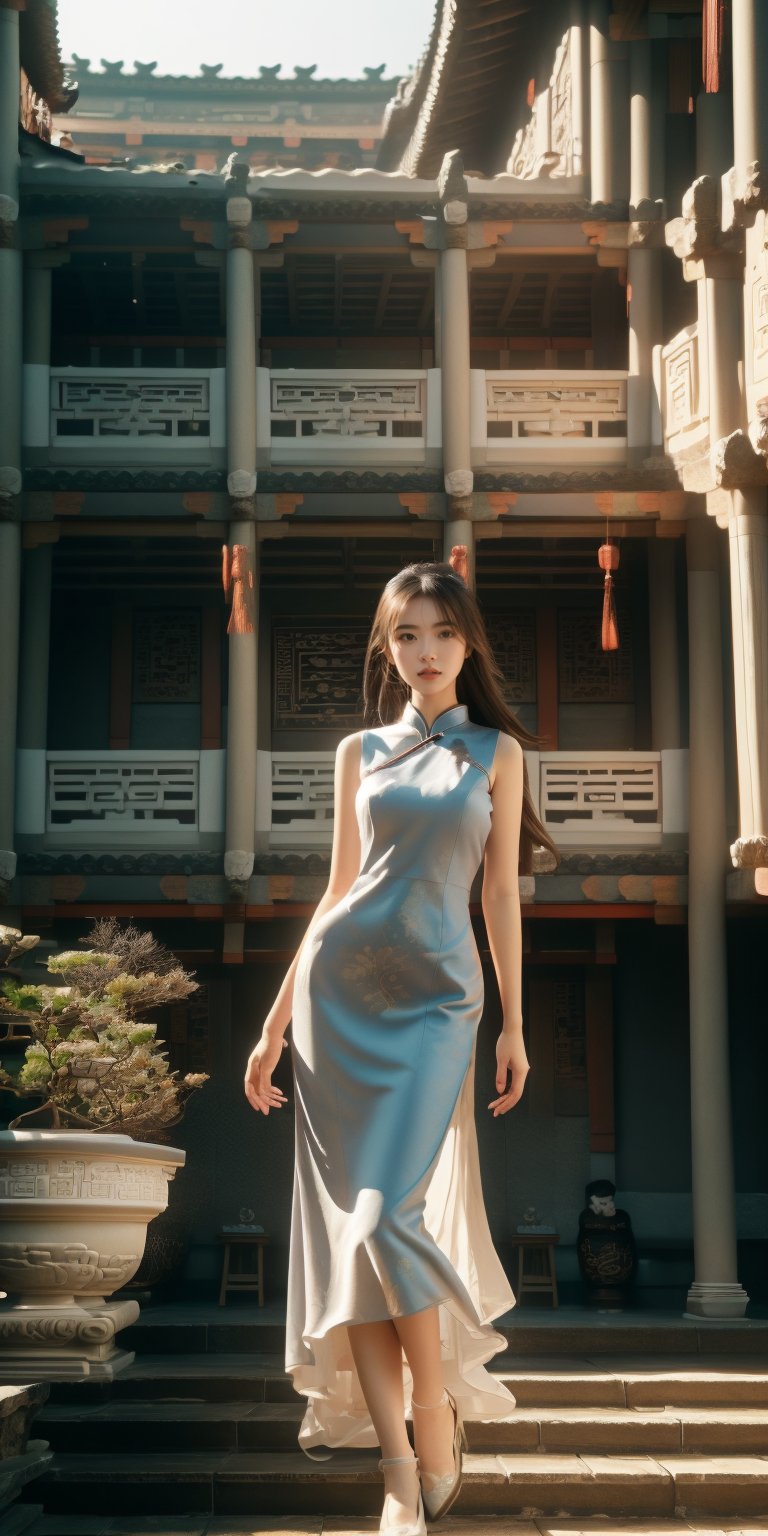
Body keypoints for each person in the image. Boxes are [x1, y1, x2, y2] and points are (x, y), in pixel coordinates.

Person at [244, 552, 560, 1534]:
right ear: (389, 647)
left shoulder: (498, 756)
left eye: (443, 632)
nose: (426, 651)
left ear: (470, 643)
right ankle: (394, 1471)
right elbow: (337, 892)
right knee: (355, 1251)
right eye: (407, 635)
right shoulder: (358, 753)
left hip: (438, 1003)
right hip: (340, 1003)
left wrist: (514, 1020)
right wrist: (272, 1023)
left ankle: (435, 1409)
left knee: (386, 1221)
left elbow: (500, 891)